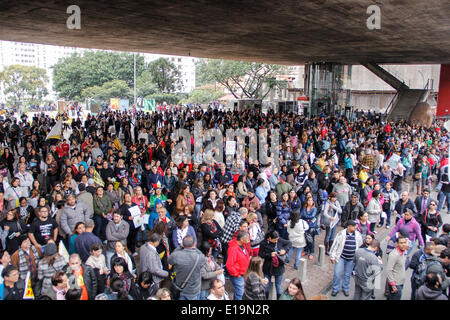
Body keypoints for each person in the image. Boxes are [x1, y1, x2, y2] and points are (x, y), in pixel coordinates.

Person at [329, 220, 363, 297]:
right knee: (337, 273)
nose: (355, 227)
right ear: (348, 227)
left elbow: (360, 245)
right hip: (341, 257)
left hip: (351, 259)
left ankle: (346, 288)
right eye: (353, 226)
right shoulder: (341, 234)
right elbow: (335, 245)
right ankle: (335, 289)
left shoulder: (358, 235)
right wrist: (332, 256)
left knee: (347, 275)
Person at [167, 235, 206, 300]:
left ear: (183, 244)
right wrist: (194, 247)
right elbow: (203, 256)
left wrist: (180, 246)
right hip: (193, 290)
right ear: (194, 244)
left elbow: (169, 260)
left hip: (180, 288)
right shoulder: (200, 257)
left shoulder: (176, 255)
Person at [258, 230, 292, 299]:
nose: (276, 241)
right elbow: (261, 254)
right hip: (268, 267)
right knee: (266, 286)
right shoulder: (263, 243)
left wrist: (285, 250)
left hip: (279, 267)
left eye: (277, 239)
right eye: (274, 240)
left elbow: (289, 243)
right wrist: (270, 255)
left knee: (278, 286)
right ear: (269, 238)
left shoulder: (279, 240)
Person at [226, 230, 251, 300]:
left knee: (239, 292)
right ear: (241, 239)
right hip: (237, 275)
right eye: (247, 238)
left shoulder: (242, 245)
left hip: (242, 273)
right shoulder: (233, 249)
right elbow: (229, 265)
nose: (249, 240)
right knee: (240, 294)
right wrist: (237, 274)